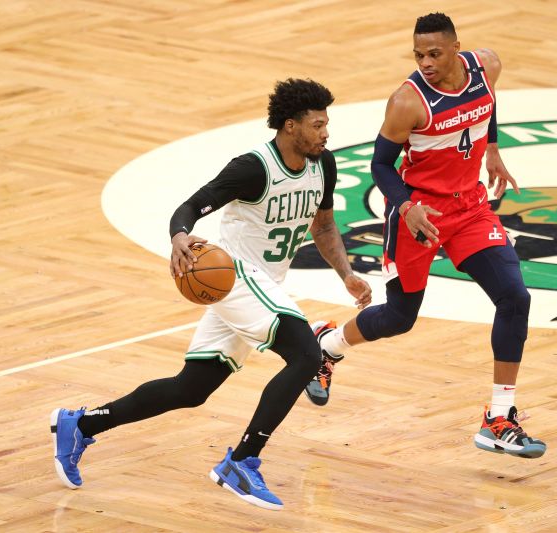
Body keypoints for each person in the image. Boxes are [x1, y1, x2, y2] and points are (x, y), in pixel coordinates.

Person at [50, 78, 372, 510]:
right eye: (317, 125)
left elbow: (325, 226)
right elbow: (190, 206)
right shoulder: (253, 167)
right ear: (291, 126)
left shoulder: (323, 164)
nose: (326, 132)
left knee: (191, 389)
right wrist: (179, 235)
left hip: (263, 286)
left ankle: (83, 424)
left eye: (326, 124)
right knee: (308, 356)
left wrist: (346, 274)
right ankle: (242, 461)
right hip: (235, 277)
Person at [304, 13, 546, 459]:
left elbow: (487, 106)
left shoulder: (487, 66)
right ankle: (326, 346)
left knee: (515, 298)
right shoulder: (407, 102)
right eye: (419, 55)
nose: (426, 62)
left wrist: (490, 148)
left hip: (470, 207)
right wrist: (408, 206)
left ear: (457, 47)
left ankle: (498, 417)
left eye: (434, 53)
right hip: (421, 213)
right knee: (400, 316)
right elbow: (380, 166)